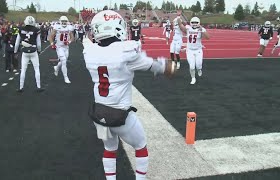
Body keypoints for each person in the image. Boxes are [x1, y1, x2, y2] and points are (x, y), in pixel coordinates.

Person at [83, 10, 176, 180]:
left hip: (99, 113)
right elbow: (156, 67)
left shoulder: (89, 52)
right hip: (120, 114)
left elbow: (88, 43)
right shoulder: (125, 51)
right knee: (140, 146)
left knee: (110, 149)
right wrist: (168, 66)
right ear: (118, 27)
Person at [14, 16, 43, 92]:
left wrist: (15, 52)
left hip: (25, 51)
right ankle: (38, 87)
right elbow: (39, 44)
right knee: (36, 69)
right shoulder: (36, 30)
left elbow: (17, 43)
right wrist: (39, 51)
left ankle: (21, 87)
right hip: (33, 51)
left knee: (23, 70)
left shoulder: (21, 29)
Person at [177, 16, 210, 84]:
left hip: (198, 50)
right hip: (189, 50)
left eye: (196, 22)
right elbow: (181, 27)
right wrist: (178, 17)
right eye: (193, 22)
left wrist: (202, 30)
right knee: (191, 66)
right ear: (191, 22)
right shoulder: (188, 28)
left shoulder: (201, 29)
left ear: (199, 23)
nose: (194, 24)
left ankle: (199, 69)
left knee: (198, 65)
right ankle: (193, 78)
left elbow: (208, 37)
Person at [49, 15, 74, 84]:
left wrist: (68, 42)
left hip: (66, 47)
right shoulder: (57, 27)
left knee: (63, 60)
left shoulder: (69, 28)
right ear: (60, 21)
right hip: (59, 46)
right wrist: (52, 44)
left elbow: (72, 37)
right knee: (64, 61)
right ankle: (66, 77)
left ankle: (56, 67)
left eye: (65, 21)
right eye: (62, 21)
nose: (63, 23)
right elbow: (51, 36)